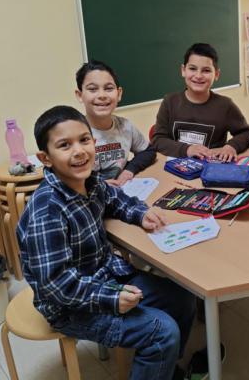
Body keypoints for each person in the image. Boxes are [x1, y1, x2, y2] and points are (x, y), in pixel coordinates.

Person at [16, 105, 195, 380]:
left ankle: (165, 371)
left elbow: (115, 199)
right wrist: (111, 298)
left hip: (106, 276)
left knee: (182, 298)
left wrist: (140, 213)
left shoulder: (90, 181)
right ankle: (160, 362)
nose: (79, 151)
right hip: (71, 307)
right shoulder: (47, 211)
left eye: (84, 140)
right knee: (162, 332)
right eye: (65, 145)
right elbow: (57, 285)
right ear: (45, 158)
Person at [152, 43, 249, 162]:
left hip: (212, 167)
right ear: (183, 70)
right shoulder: (169, 102)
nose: (198, 76)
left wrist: (231, 146)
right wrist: (187, 149)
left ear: (216, 74)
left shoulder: (225, 105)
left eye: (206, 70)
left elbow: (247, 133)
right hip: (177, 167)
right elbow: (158, 140)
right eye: (192, 69)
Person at [75, 60, 156, 186]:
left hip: (120, 191)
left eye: (108, 88)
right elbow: (66, 176)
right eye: (92, 89)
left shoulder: (125, 126)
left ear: (119, 94)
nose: (102, 95)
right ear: (80, 95)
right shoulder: (74, 133)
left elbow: (148, 151)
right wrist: (97, 186)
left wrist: (129, 170)